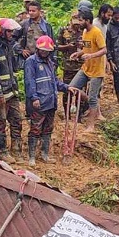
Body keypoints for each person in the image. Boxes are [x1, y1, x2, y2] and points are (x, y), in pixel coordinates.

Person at [24, 35, 83, 166]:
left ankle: (44, 154)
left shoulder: (50, 63)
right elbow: (30, 82)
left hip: (50, 101)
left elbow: (55, 81)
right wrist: (34, 97)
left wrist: (67, 87)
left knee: (48, 129)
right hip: (39, 101)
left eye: (47, 51)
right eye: (42, 50)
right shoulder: (31, 62)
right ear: (38, 49)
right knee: (35, 128)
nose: (44, 52)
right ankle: (32, 156)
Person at [0, 18, 24, 163]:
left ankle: (17, 150)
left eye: (12, 31)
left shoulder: (9, 47)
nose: (11, 34)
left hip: (12, 92)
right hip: (1, 94)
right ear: (1, 32)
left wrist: (16, 89)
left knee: (16, 121)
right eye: (8, 31)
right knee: (0, 124)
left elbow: (12, 70)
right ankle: (2, 151)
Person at [68, 9, 107, 131]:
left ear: (87, 20)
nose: (79, 22)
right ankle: (92, 103)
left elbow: (104, 50)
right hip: (86, 68)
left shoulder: (96, 32)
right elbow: (87, 49)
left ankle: (91, 125)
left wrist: (91, 56)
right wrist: (78, 54)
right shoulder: (85, 32)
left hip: (97, 70)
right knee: (72, 87)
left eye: (81, 20)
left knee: (93, 98)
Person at [56, 8, 87, 117]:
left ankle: (79, 115)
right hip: (69, 66)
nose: (77, 26)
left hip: (82, 66)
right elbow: (57, 46)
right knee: (67, 90)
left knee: (81, 91)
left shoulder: (85, 31)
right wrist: (68, 47)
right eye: (75, 24)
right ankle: (67, 114)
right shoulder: (64, 31)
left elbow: (90, 47)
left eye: (79, 23)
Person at [14, 0, 54, 71]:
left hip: (43, 58)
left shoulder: (46, 26)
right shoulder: (24, 24)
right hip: (27, 57)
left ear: (39, 11)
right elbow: (12, 38)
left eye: (33, 11)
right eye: (30, 11)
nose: (31, 13)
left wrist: (53, 60)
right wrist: (21, 50)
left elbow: (52, 43)